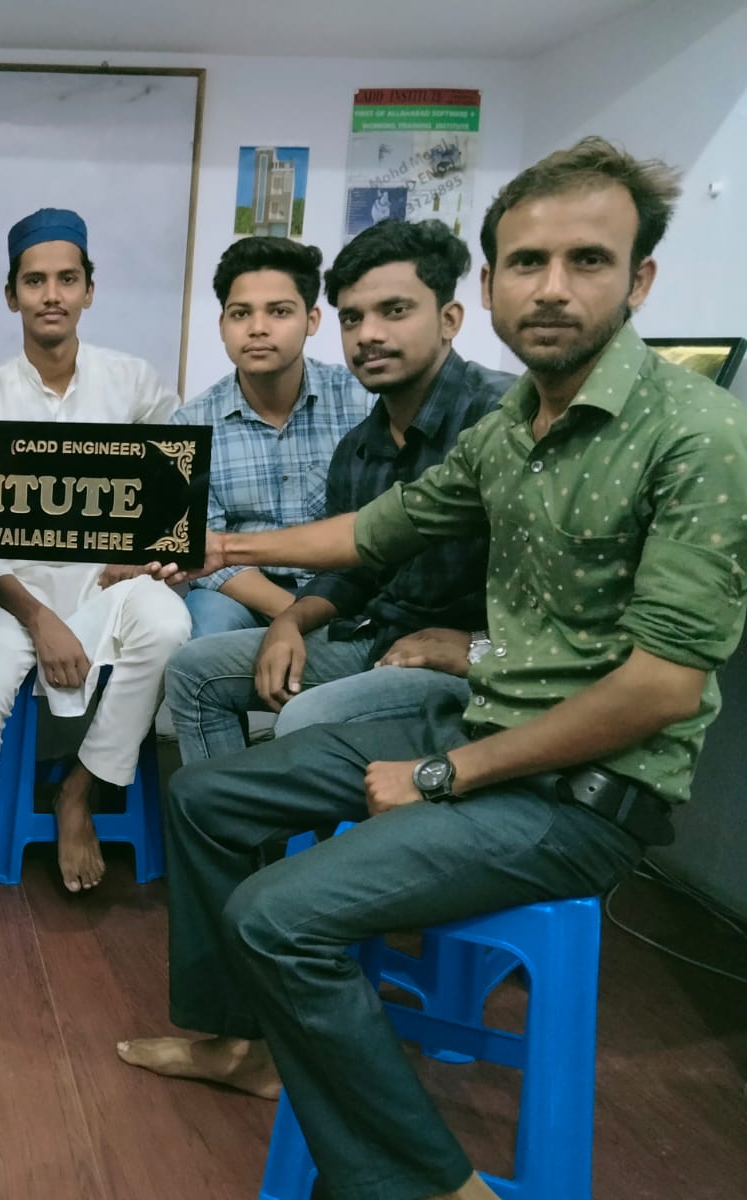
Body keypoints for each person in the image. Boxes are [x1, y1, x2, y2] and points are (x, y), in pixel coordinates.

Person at [119, 137, 747, 1200]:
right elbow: (378, 532)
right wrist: (215, 547)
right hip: (484, 724)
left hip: (581, 793)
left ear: (639, 279)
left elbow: (663, 688)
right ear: (492, 286)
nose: (552, 288)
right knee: (208, 796)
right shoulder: (512, 428)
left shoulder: (698, 435)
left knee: (277, 915)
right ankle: (243, 1043)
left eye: (588, 261)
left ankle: (432, 1189)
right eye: (528, 262)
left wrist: (444, 774)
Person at [166, 219, 514, 764]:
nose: (370, 334)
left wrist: (479, 645)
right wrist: (291, 620)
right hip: (375, 630)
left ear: (449, 319)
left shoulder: (500, 416)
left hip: (482, 652)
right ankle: (233, 806)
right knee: (193, 670)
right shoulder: (359, 444)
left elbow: (567, 591)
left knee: (305, 717)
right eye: (354, 318)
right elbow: (354, 569)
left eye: (395, 311)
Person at [0, 208, 189, 910]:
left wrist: (141, 555)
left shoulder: (135, 382)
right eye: (35, 281)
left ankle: (78, 792)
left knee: (169, 625)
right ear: (11, 295)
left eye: (66, 279)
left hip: (106, 588)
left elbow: (174, 491)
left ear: (89, 288)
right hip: (14, 597)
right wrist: (37, 618)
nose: (51, 295)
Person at [170, 238, 370, 640]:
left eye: (279, 311)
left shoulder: (362, 402)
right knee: (203, 625)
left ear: (312, 319)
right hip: (245, 594)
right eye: (241, 313)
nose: (258, 328)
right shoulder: (191, 425)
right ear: (222, 325)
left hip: (347, 588)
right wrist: (296, 616)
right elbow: (204, 551)